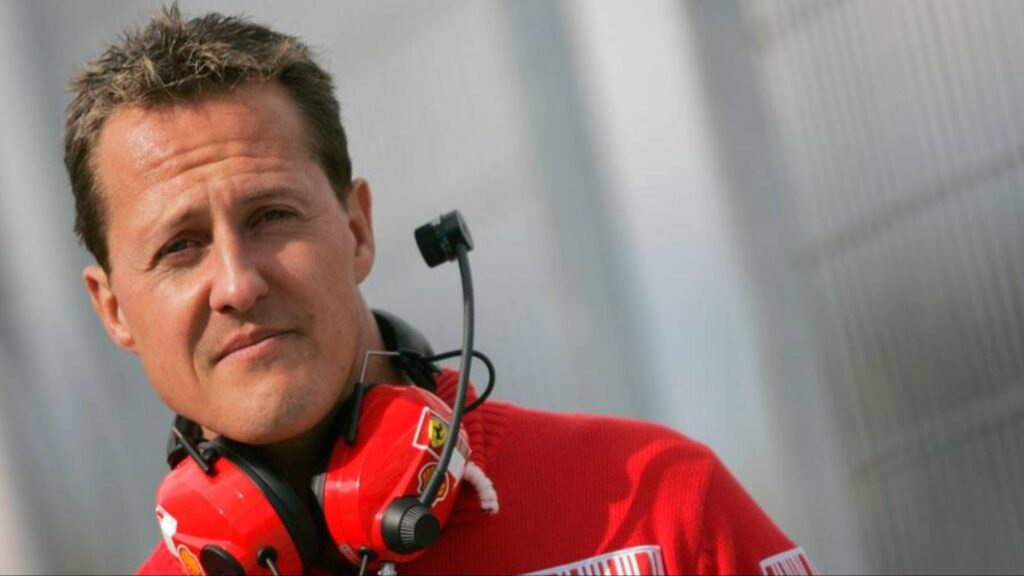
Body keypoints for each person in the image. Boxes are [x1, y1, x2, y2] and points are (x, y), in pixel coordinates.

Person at [64, 5, 817, 575]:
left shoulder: (659, 504)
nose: (238, 282)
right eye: (180, 247)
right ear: (113, 310)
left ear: (358, 230)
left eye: (272, 216)